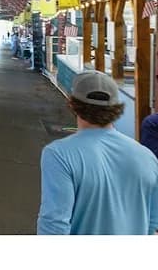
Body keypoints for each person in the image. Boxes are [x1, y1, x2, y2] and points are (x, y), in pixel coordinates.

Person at [38, 71, 158, 234]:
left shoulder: (59, 155)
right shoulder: (147, 157)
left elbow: (54, 224)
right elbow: (151, 222)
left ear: (72, 104)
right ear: (116, 107)